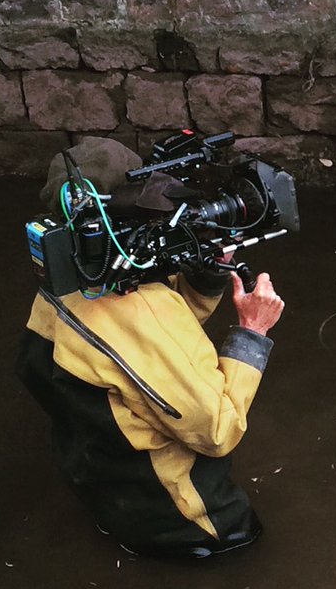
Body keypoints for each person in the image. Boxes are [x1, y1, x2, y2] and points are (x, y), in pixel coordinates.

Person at [15, 137, 285, 559]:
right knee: (247, 550)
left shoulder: (59, 287)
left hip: (105, 492)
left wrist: (207, 272)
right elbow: (218, 430)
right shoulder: (137, 314)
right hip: (182, 523)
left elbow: (163, 338)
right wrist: (252, 331)